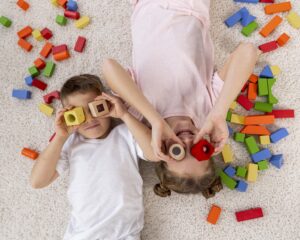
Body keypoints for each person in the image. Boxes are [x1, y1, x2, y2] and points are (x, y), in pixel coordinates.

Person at [102, 0, 261, 198]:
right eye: (197, 149)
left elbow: (108, 67)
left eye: (177, 151)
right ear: (208, 146)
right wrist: (219, 113)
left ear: (161, 151)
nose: (186, 140)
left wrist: (155, 120)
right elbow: (248, 51)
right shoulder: (209, 110)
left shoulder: (142, 112)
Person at [30, 74, 160, 240]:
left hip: (124, 234)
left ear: (107, 104)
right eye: (79, 114)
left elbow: (154, 153)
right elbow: (37, 181)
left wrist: (124, 115)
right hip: (81, 234)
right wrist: (60, 137)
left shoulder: (125, 134)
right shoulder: (71, 144)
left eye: (95, 108)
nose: (89, 119)